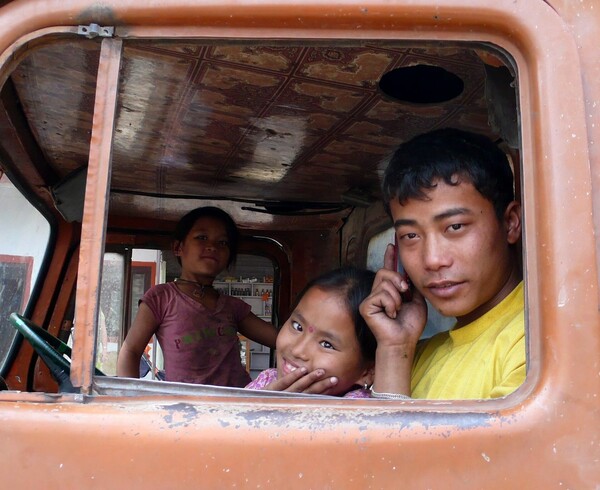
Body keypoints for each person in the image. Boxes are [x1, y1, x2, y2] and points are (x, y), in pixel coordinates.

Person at [360, 128, 524, 400]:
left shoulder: (538, 347)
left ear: (510, 223)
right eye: (411, 236)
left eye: (455, 227)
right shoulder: (415, 354)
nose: (433, 260)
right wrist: (393, 348)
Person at [117, 206, 278, 387]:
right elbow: (130, 351)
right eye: (202, 238)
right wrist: (131, 401)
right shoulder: (161, 297)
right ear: (178, 248)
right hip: (185, 407)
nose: (212, 247)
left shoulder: (233, 307)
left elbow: (280, 340)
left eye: (222, 243)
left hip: (236, 405)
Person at [246, 267, 377, 398]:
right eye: (297, 326)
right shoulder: (266, 380)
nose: (297, 351)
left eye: (326, 344)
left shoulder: (357, 408)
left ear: (368, 372)